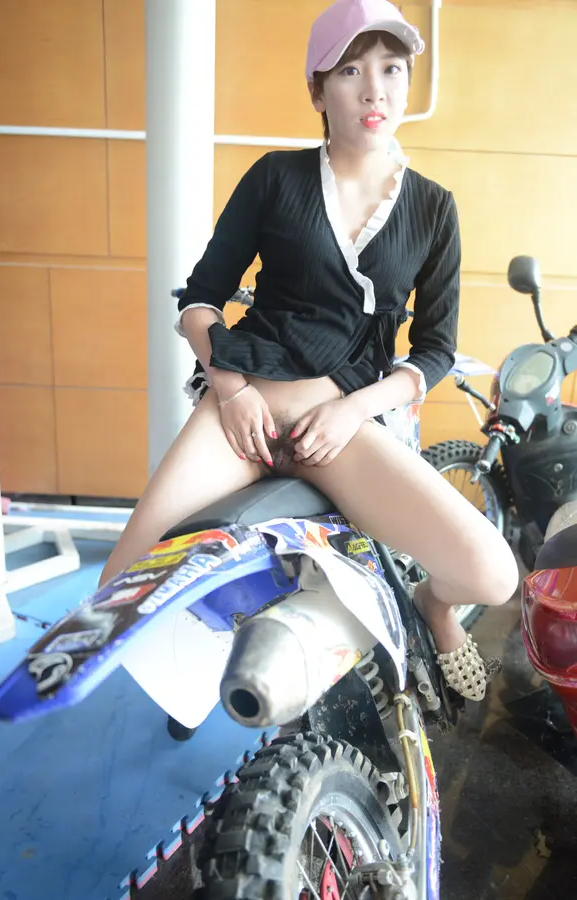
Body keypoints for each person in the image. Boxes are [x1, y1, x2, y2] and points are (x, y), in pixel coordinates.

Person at [100, 0, 518, 701]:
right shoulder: (276, 177)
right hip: (243, 414)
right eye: (350, 70)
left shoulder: (432, 207)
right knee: (118, 592)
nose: (374, 89)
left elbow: (434, 351)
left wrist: (354, 411)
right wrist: (230, 390)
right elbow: (199, 302)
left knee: (493, 574)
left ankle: (431, 606)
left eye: (391, 69)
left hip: (341, 429)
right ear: (318, 91)